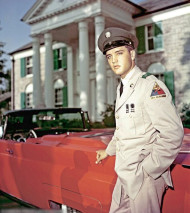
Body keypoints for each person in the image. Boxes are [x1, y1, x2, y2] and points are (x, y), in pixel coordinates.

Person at [96, 27, 184, 213]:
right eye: (109, 56)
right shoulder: (123, 88)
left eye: (119, 53)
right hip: (126, 171)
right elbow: (123, 129)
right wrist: (108, 151)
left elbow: (172, 133)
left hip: (144, 176)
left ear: (132, 53)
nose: (114, 60)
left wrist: (148, 170)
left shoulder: (149, 86)